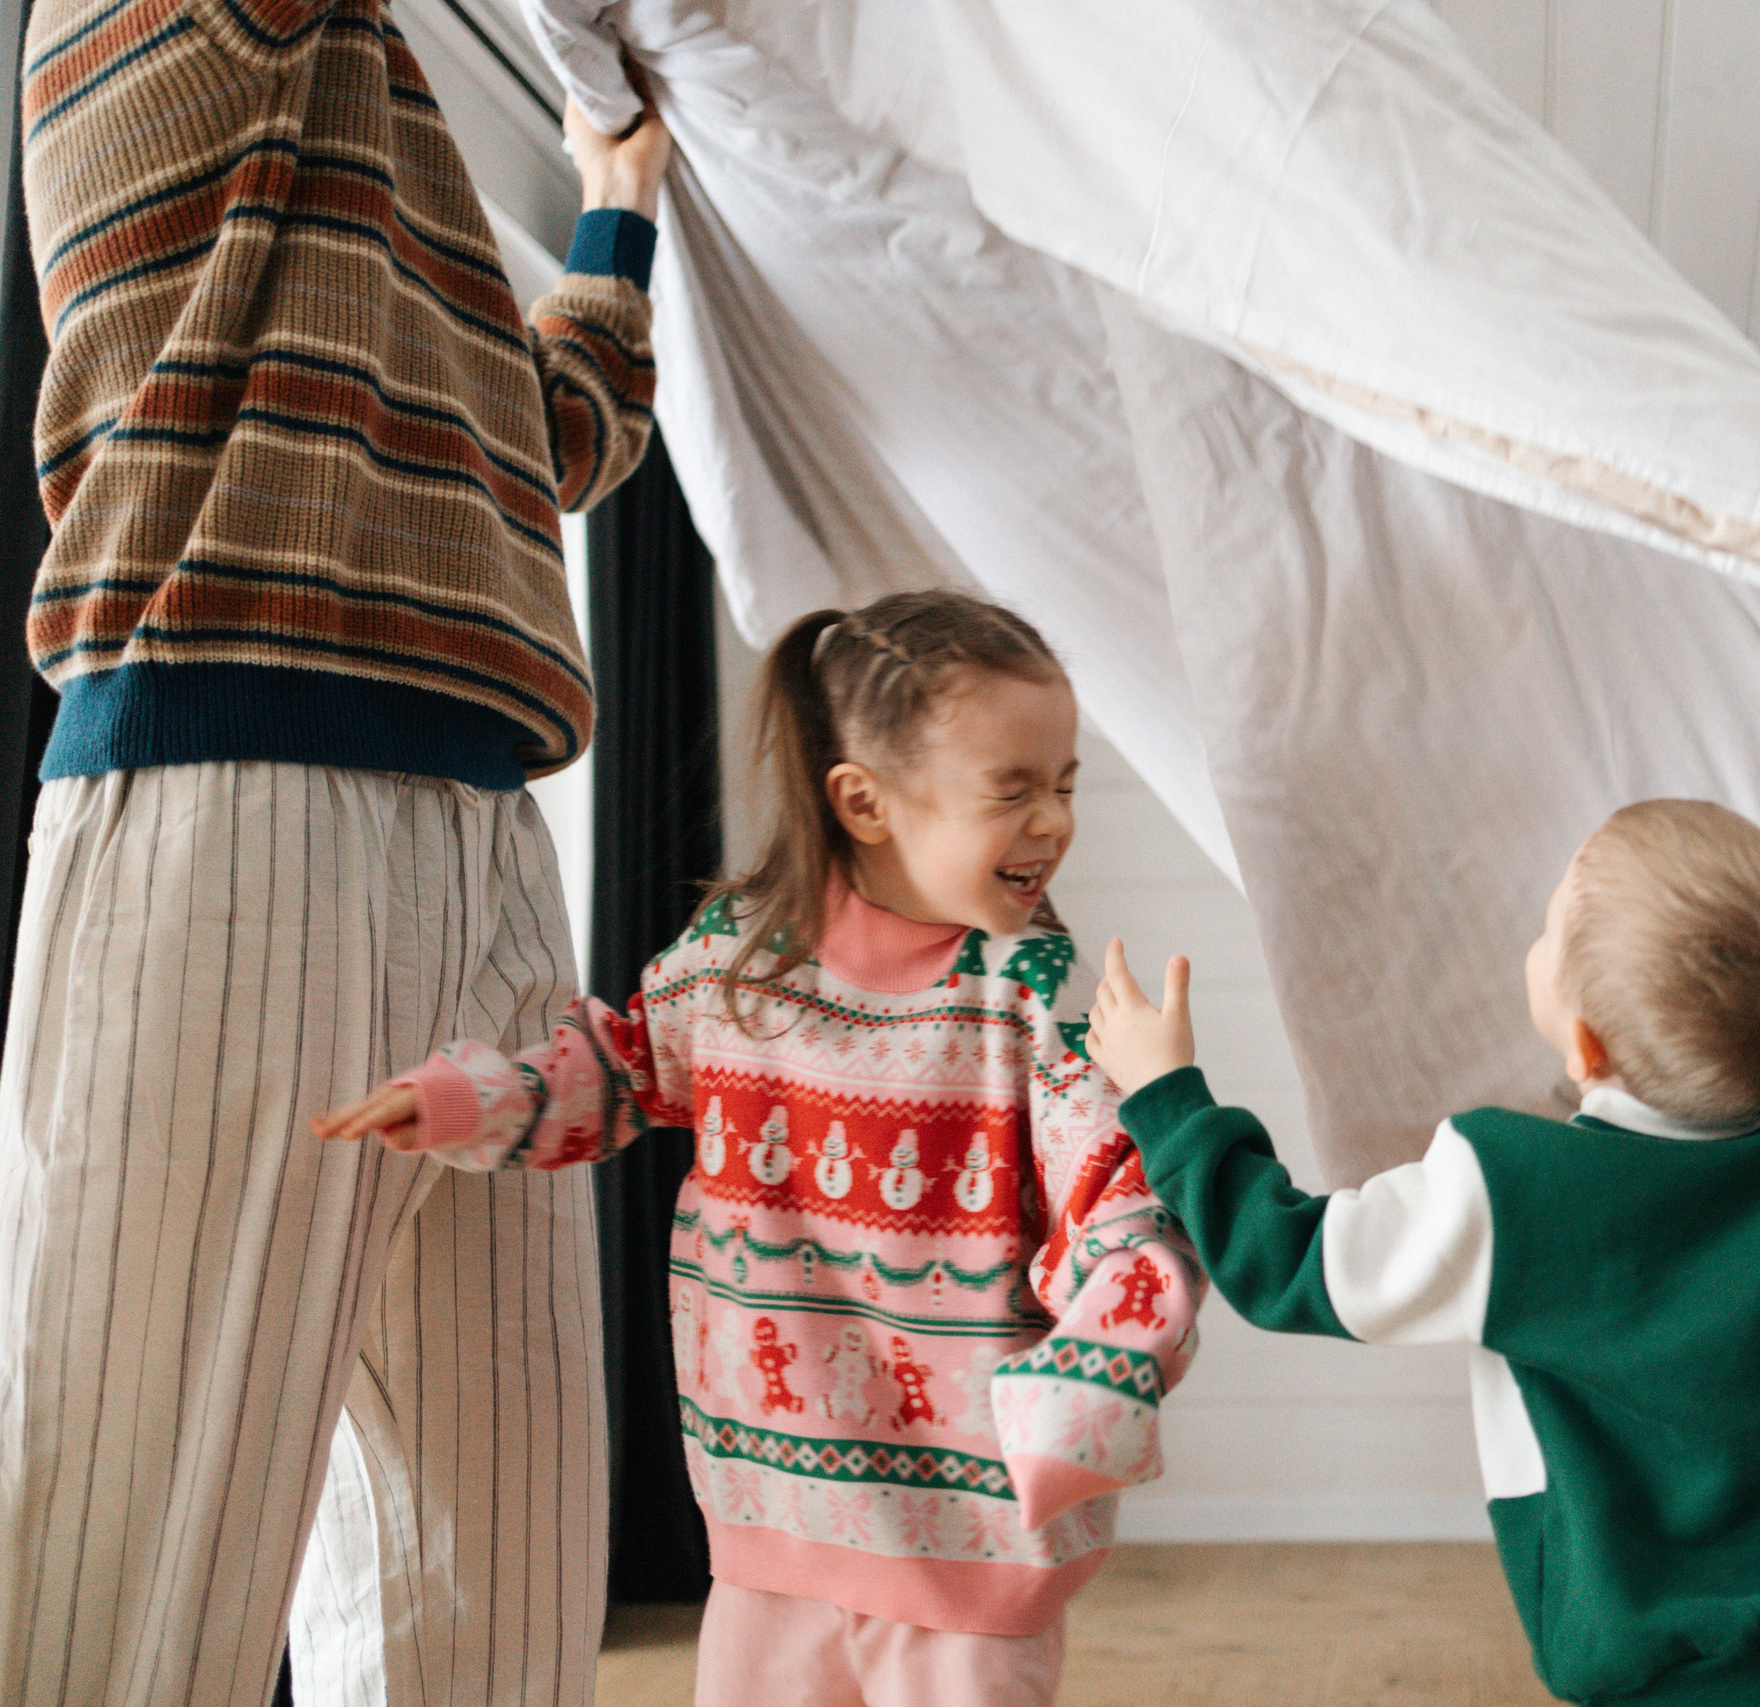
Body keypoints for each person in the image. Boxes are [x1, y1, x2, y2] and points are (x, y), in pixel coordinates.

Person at [3, 0, 670, 1697]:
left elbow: (555, 436)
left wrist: (614, 206)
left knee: (497, 1572)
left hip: (489, 833)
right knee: (130, 1556)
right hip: (229, 787)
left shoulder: (386, 179)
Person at [318, 591, 1201, 1707]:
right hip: (768, 1510)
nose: (1052, 823)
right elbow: (621, 1071)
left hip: (970, 1537)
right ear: (864, 802)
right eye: (1012, 791)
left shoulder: (1030, 1004)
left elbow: (1118, 1210)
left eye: (1064, 785)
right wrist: (464, 1099)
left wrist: (1103, 1363)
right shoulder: (737, 966)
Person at [1086, 807, 1760, 1707]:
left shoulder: (1510, 1189)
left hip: (1673, 1673)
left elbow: (1284, 1260)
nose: (1534, 943)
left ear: (1584, 1045)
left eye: (1546, 931)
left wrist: (1168, 1095)